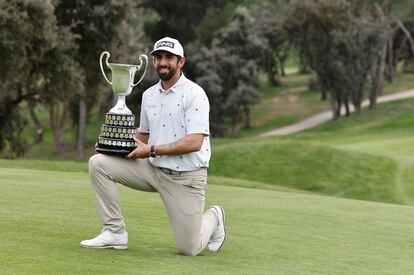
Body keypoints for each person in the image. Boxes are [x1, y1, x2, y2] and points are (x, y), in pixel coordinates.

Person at [80, 37, 226, 256]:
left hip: (185, 179)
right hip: (152, 169)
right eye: (158, 58)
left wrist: (151, 150)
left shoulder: (195, 94)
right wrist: (113, 145)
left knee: (190, 248)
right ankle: (115, 232)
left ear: (181, 62)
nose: (163, 62)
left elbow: (195, 142)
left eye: (169, 58)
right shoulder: (149, 95)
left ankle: (214, 216)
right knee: (98, 163)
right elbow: (143, 137)